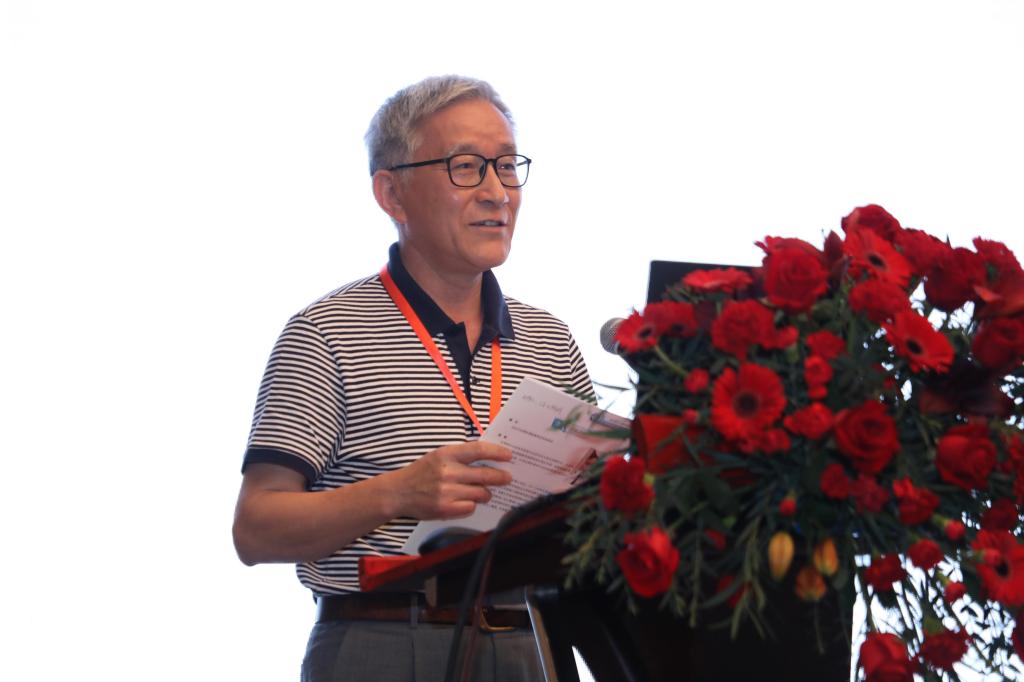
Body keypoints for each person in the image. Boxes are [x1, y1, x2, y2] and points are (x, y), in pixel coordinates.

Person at [232, 75, 593, 681]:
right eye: (466, 167)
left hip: (529, 646)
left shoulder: (550, 339)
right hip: (384, 640)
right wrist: (398, 494)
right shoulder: (327, 332)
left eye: (508, 167)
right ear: (391, 194)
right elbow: (256, 528)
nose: (497, 192)